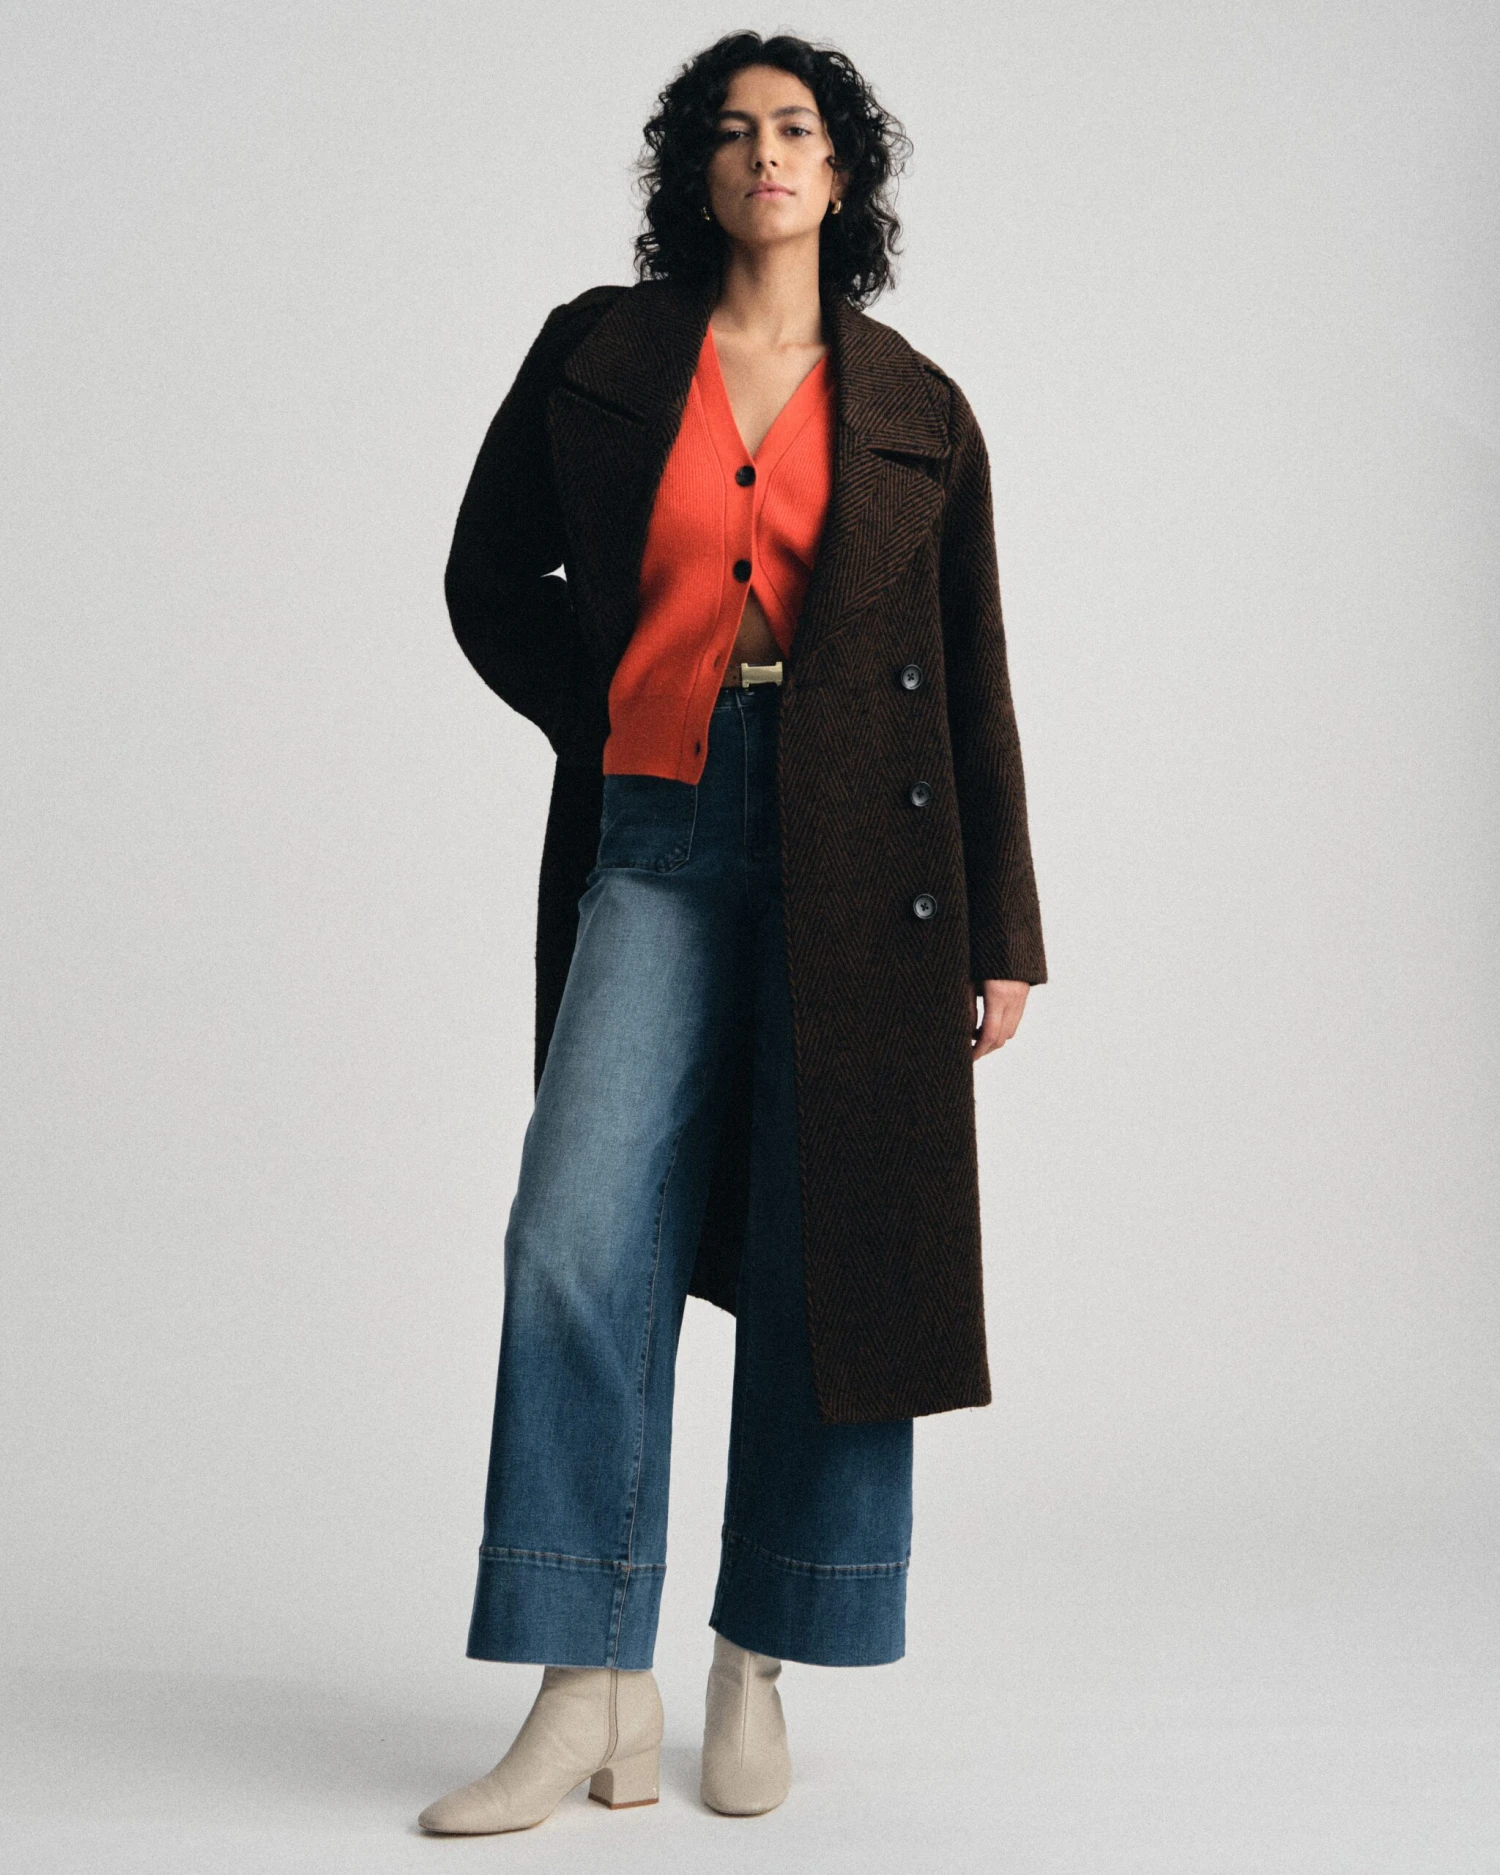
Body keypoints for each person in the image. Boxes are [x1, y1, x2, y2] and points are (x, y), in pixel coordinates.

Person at [419, 30, 1047, 1835]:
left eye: (795, 128)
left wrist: (1003, 929)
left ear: (842, 173)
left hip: (867, 859)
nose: (763, 152)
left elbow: (977, 678)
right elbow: (486, 577)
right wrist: (610, 710)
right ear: (694, 174)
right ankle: (585, 1684)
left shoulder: (919, 404)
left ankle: (755, 1656)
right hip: (658, 824)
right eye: (730, 131)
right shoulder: (600, 355)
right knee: (572, 1231)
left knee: (825, 1250)